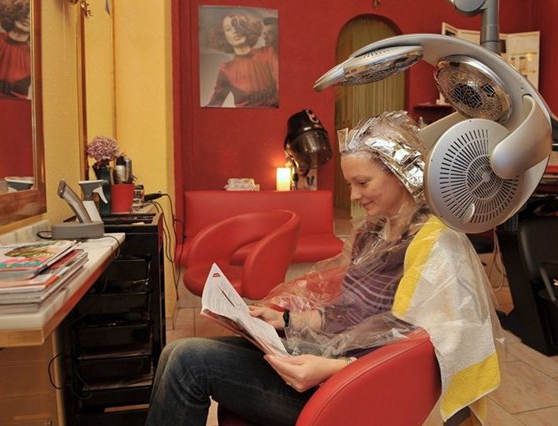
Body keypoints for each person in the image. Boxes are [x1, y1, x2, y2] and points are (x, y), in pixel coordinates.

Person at [145, 111, 503, 426]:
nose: (354, 196)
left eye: (363, 183)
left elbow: (426, 350)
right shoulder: (373, 233)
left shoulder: (435, 246)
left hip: (355, 389)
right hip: (332, 361)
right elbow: (350, 315)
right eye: (350, 184)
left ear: (401, 174)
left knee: (188, 362)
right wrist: (285, 320)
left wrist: (333, 370)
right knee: (174, 352)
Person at [205, 13, 278, 108]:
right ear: (223, 36)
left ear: (248, 28)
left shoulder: (268, 53)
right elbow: (214, 104)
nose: (235, 31)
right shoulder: (226, 69)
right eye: (228, 29)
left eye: (238, 26)